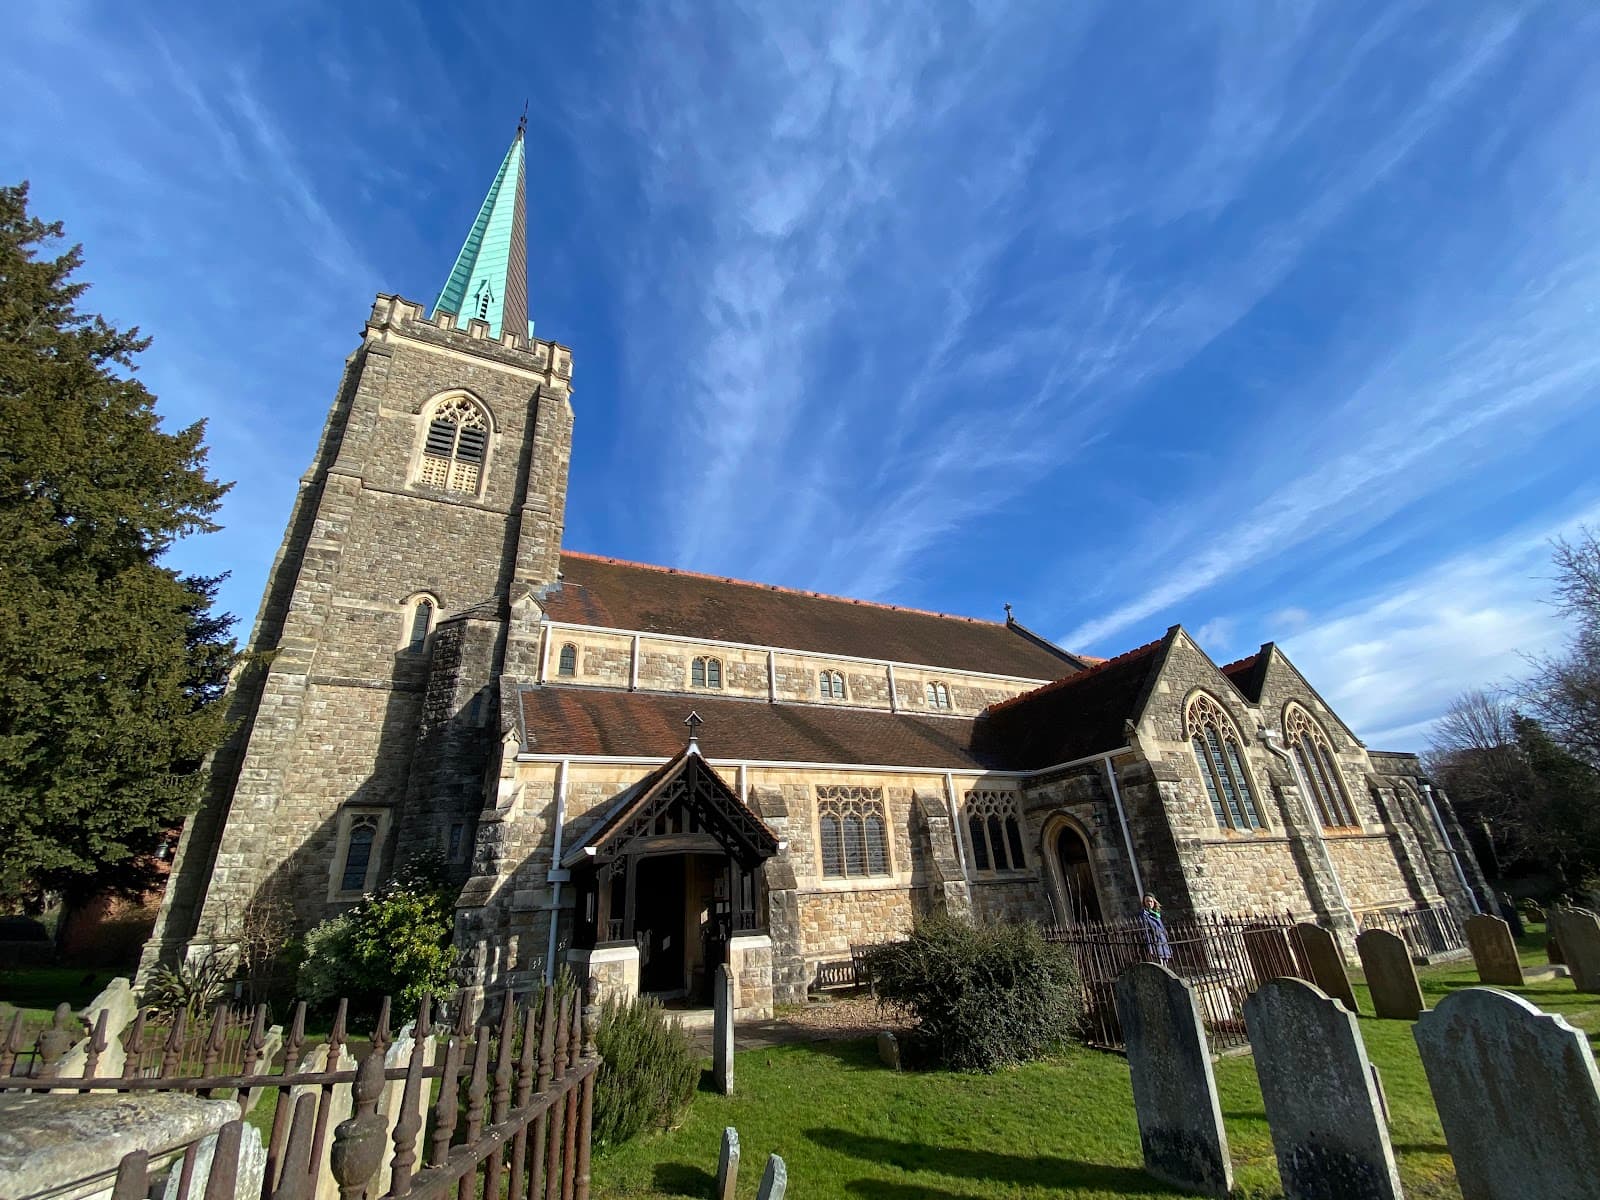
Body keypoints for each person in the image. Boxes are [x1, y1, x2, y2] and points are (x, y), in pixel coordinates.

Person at [1140, 893, 1172, 966]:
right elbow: (1146, 931)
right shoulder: (1144, 915)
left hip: (1163, 941)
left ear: (1154, 902)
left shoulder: (1157, 914)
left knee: (1165, 964)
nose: (1149, 903)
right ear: (1144, 903)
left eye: (1151, 901)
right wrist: (1150, 947)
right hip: (1154, 942)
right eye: (1147, 901)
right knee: (1159, 965)